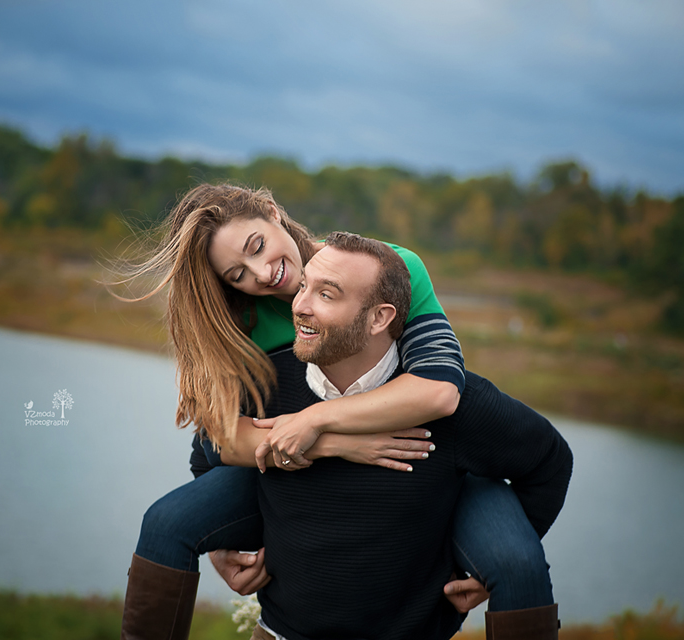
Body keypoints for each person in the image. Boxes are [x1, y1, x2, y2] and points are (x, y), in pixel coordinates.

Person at [113, 184, 556, 639]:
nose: (262, 274)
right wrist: (340, 445)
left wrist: (316, 419)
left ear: (271, 211)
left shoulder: (384, 269)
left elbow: (440, 388)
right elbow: (218, 439)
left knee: (513, 559)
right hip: (282, 462)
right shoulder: (240, 317)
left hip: (420, 461)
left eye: (257, 246)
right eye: (237, 274)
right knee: (166, 523)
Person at [215, 232, 572, 639]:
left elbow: (550, 462)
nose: (299, 306)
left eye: (326, 295)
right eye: (303, 287)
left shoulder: (456, 404)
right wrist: (220, 547)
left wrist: (483, 567)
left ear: (379, 318)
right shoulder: (265, 382)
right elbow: (209, 453)